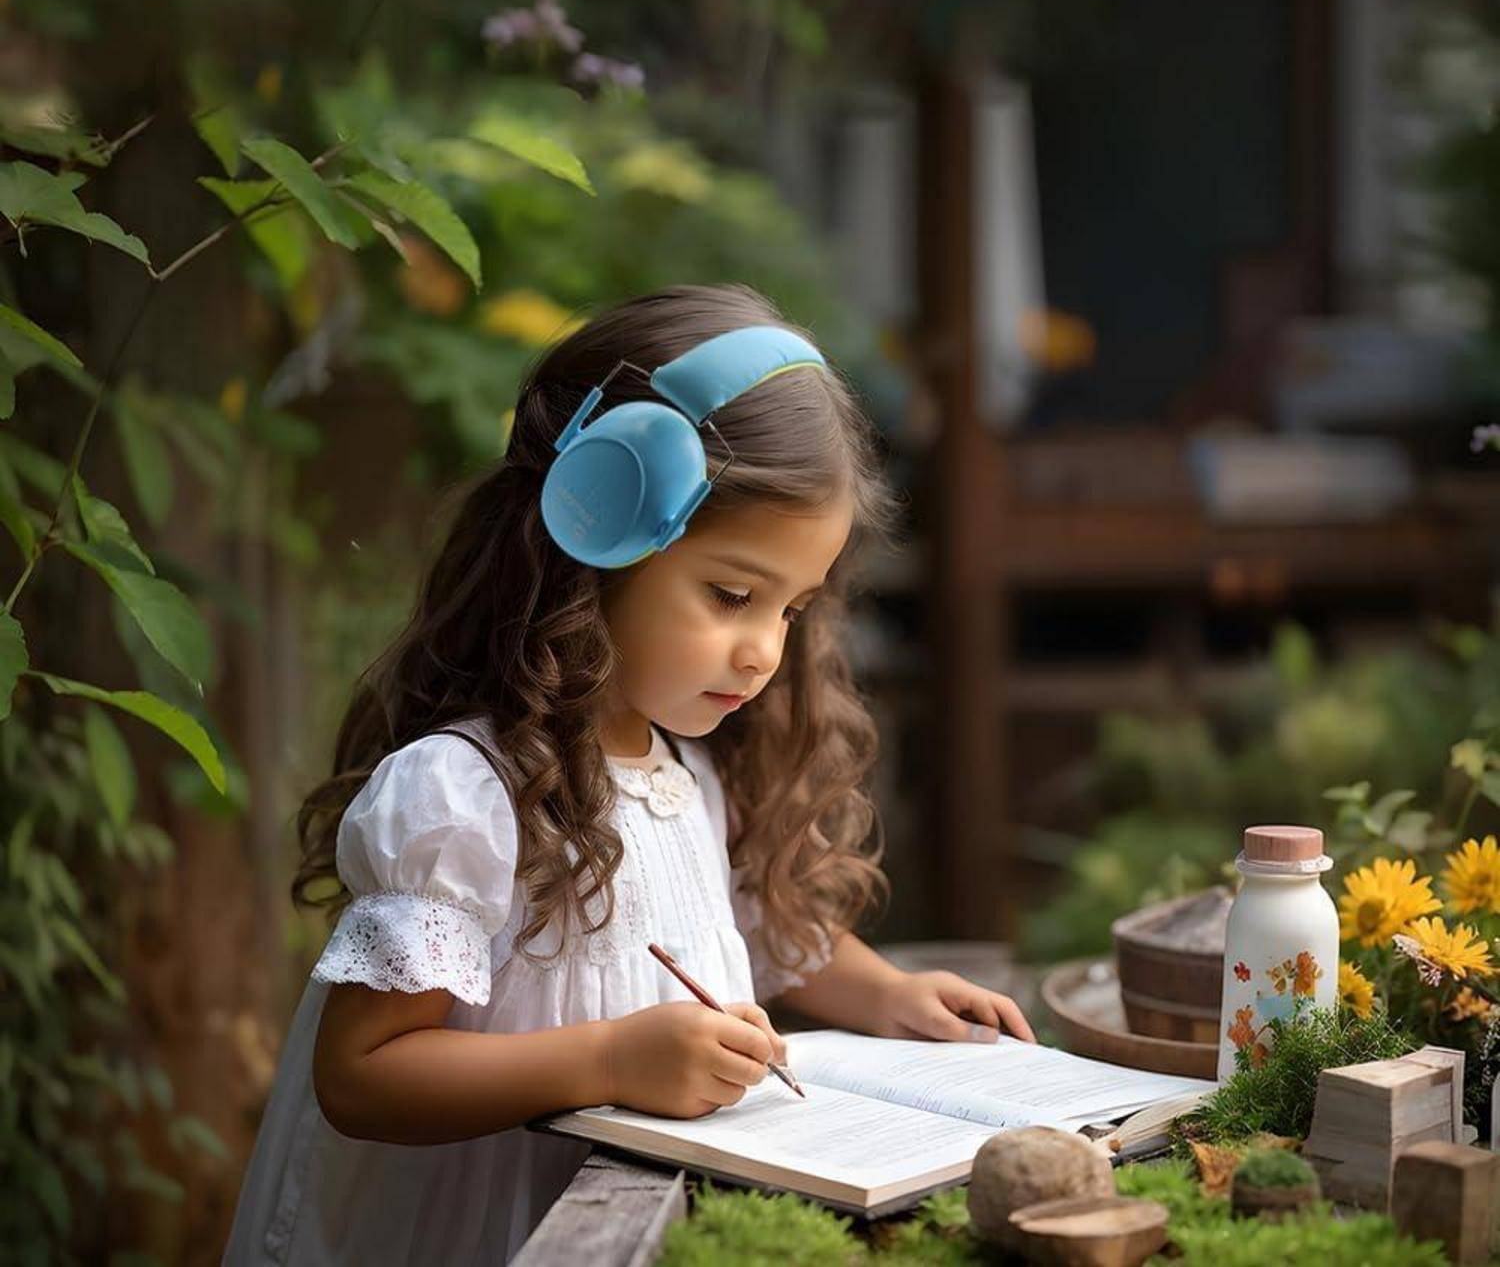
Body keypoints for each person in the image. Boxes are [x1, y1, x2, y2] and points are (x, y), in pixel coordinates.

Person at [224, 282, 1034, 1265]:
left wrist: (889, 996)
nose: (763, 652)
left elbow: (748, 926)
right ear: (595, 530)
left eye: (791, 609)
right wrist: (608, 1059)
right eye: (732, 594)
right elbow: (361, 1075)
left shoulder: (685, 766)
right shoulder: (464, 793)